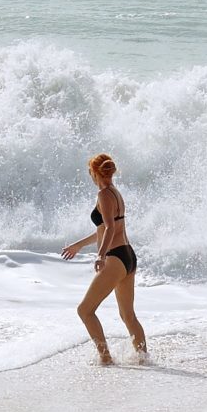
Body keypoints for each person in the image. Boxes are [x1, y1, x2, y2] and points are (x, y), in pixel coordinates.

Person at [59, 153, 147, 365]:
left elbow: (109, 228)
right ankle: (144, 359)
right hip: (127, 256)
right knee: (128, 316)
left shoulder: (103, 195)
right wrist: (79, 245)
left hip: (115, 259)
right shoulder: (115, 193)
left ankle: (105, 358)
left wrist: (100, 255)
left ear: (94, 172)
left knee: (85, 310)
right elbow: (105, 229)